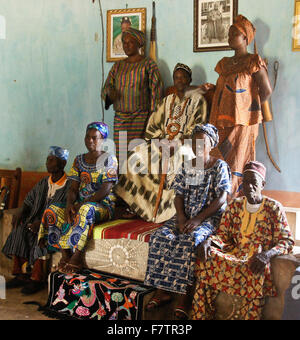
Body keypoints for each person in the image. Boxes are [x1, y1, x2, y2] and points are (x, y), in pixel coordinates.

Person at [144, 124, 232, 319]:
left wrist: (198, 219)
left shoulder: (219, 167)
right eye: (194, 142)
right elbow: (178, 194)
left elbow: (222, 198)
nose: (198, 146)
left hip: (208, 218)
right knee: (160, 236)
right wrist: (182, 217)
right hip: (185, 216)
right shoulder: (187, 165)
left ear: (211, 144)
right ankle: (162, 291)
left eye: (203, 142)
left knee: (190, 240)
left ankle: (184, 297)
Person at [191, 161, 294, 320]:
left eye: (254, 182)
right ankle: (202, 316)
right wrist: (208, 242)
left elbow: (287, 241)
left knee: (255, 270)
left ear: (263, 184)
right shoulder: (234, 206)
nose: (249, 186)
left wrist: (267, 254)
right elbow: (222, 235)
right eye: (245, 181)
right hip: (234, 253)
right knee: (206, 259)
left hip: (255, 258)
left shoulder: (274, 208)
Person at [114, 63, 208, 223]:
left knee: (182, 163)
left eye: (183, 77)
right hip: (162, 142)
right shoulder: (167, 100)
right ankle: (140, 207)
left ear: (189, 80)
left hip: (185, 144)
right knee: (136, 156)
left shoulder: (198, 100)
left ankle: (170, 212)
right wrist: (160, 141)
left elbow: (199, 128)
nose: (179, 81)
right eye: (176, 78)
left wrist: (177, 143)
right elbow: (153, 125)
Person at [200, 15, 273, 197]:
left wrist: (249, 110)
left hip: (243, 124)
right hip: (220, 120)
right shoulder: (224, 63)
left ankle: (232, 204)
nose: (230, 36)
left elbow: (266, 91)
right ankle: (215, 203)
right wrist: (214, 89)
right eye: (229, 33)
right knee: (218, 157)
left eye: (235, 34)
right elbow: (229, 89)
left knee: (238, 162)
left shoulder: (253, 61)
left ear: (246, 38)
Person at [38, 122, 118, 274]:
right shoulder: (79, 160)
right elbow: (73, 188)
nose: (90, 141)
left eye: (95, 138)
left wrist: (83, 203)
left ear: (103, 140)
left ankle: (77, 256)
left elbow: (106, 189)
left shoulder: (110, 159)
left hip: (102, 206)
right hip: (80, 203)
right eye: (87, 137)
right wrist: (69, 204)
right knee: (53, 209)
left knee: (86, 209)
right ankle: (65, 253)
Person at [2, 146, 70, 294]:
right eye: (47, 159)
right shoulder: (44, 182)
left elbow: (64, 211)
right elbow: (29, 201)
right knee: (20, 231)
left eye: (52, 160)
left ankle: (36, 279)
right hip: (37, 221)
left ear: (63, 163)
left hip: (55, 226)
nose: (47, 162)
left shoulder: (69, 185)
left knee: (42, 236)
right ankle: (21, 275)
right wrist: (21, 212)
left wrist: (42, 224)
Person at [102, 27, 164, 161]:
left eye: (130, 42)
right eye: (124, 42)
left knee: (139, 155)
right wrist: (109, 93)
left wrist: (153, 118)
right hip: (120, 119)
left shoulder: (148, 64)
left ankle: (136, 182)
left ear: (139, 43)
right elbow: (106, 87)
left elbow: (156, 92)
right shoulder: (117, 66)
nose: (126, 45)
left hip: (141, 118)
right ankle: (122, 181)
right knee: (121, 155)